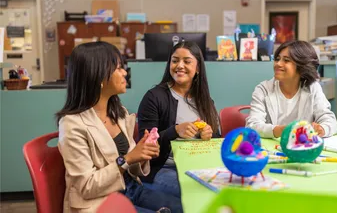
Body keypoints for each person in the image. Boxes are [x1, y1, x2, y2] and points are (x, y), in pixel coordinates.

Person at [56, 42, 182, 213]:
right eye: (118, 68)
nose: (124, 72)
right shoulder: (72, 124)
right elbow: (86, 186)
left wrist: (142, 154)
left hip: (132, 191)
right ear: (98, 76)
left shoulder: (119, 113)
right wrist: (128, 158)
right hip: (101, 203)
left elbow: (132, 169)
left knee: (186, 207)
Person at [137, 41, 220, 198]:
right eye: (175, 61)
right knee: (202, 192)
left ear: (198, 69)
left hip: (199, 166)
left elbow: (216, 139)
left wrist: (209, 134)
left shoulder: (205, 100)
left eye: (187, 61)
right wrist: (174, 131)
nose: (179, 66)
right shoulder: (154, 97)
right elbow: (144, 146)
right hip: (165, 169)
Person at [246, 40, 337, 138]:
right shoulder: (263, 89)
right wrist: (281, 130)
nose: (278, 64)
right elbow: (252, 126)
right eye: (277, 59)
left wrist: (322, 128)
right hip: (272, 150)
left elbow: (332, 122)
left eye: (286, 60)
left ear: (302, 66)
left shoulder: (312, 87)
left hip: (303, 148)